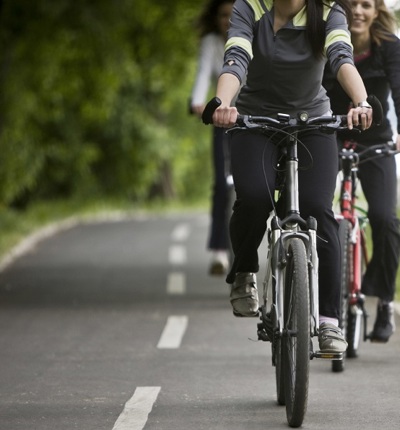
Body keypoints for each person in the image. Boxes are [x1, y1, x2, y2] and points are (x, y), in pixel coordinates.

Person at [204, 0, 375, 353]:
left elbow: (341, 57)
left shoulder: (329, 10)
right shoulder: (249, 7)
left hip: (312, 121)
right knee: (253, 196)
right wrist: (222, 103)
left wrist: (361, 102)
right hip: (256, 121)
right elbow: (236, 58)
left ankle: (329, 321)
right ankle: (244, 272)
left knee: (318, 210)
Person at [323, 0, 400, 343]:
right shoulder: (326, 41)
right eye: (350, 3)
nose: (357, 11)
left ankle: (384, 301)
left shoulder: (389, 47)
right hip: (329, 135)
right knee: (317, 211)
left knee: (384, 218)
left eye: (365, 4)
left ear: (376, 11)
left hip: (377, 142)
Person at [190, 0, 235, 276]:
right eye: (223, 15)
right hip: (223, 120)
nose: (227, 20)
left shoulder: (252, 38)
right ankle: (220, 249)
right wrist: (197, 102)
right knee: (221, 184)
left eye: (233, 15)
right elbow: (202, 74)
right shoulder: (211, 43)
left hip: (254, 120)